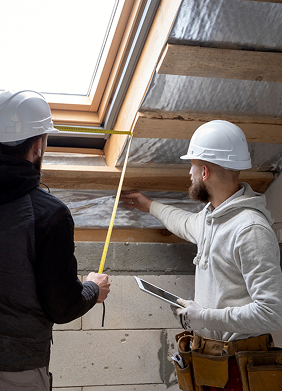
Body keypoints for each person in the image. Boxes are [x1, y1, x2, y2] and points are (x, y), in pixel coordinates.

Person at [0, 90, 110, 390]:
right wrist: (94, 289)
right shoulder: (49, 214)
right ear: (40, 144)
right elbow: (62, 307)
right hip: (17, 372)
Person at [121, 120, 282, 391]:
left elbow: (272, 312)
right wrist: (149, 205)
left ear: (205, 171)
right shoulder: (211, 218)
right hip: (213, 362)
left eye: (192, 166)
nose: (190, 173)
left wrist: (205, 317)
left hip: (239, 368)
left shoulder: (250, 230)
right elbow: (184, 222)